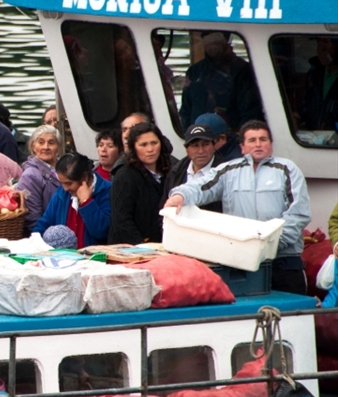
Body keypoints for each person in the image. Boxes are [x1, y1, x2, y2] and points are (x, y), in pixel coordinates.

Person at [164, 120, 311, 294]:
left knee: (292, 313)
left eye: (262, 139)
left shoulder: (288, 169)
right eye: (251, 140)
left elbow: (299, 213)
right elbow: (200, 186)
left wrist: (269, 244)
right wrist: (179, 195)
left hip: (284, 262)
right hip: (241, 262)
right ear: (242, 146)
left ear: (270, 144)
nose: (257, 144)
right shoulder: (228, 170)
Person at [179, 31, 264, 131]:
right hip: (198, 135)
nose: (211, 47)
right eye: (208, 43)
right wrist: (189, 134)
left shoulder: (243, 70)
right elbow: (185, 110)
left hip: (231, 134)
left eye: (215, 43)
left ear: (226, 43)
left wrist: (240, 137)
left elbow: (250, 112)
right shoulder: (194, 71)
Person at [108, 122, 172, 245]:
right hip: (129, 251)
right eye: (143, 144)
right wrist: (142, 247)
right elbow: (122, 221)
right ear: (133, 148)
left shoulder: (169, 172)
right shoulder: (125, 176)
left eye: (154, 143)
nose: (150, 149)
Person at [36, 152, 112, 248]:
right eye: (62, 183)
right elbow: (45, 223)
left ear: (84, 177)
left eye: (69, 183)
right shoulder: (62, 193)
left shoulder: (107, 191)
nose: (65, 188)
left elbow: (102, 232)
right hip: (63, 259)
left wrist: (86, 202)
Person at [162, 123, 224, 212]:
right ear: (186, 149)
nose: (201, 151)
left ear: (214, 146)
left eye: (205, 144)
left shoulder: (225, 173)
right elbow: (164, 208)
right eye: (195, 146)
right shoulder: (176, 172)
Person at [14, 125, 62, 236]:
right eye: (41, 142)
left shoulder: (65, 168)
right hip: (47, 234)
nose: (46, 147)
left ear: (58, 146)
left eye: (51, 143)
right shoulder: (30, 175)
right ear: (33, 146)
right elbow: (32, 220)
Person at [300, 36, 338, 131]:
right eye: (319, 44)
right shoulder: (314, 73)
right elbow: (305, 102)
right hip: (314, 138)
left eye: (325, 42)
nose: (321, 49)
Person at [110, 112, 151, 177]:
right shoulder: (120, 170)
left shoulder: (167, 162)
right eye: (124, 130)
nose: (126, 135)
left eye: (132, 130)